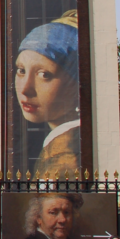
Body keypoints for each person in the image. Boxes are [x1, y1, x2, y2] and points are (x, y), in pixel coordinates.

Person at [14, 10, 80, 177]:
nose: (25, 88)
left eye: (44, 74)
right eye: (21, 71)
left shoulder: (66, 152)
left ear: (76, 83)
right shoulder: (57, 142)